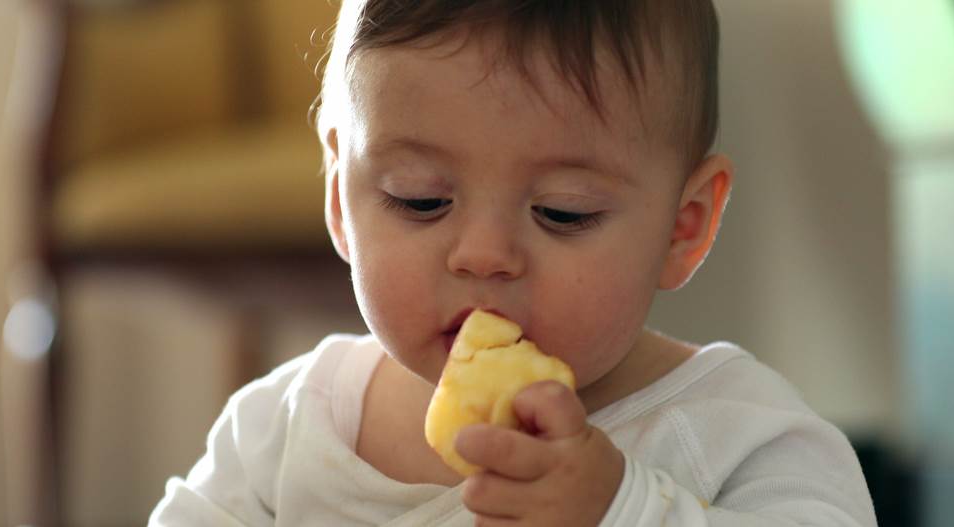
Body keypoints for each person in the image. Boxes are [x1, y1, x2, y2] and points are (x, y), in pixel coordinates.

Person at [150, 0, 876, 525]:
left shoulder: (732, 432)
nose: (484, 255)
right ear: (341, 195)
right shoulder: (290, 425)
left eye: (563, 211)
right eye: (420, 199)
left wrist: (619, 509)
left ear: (683, 228)